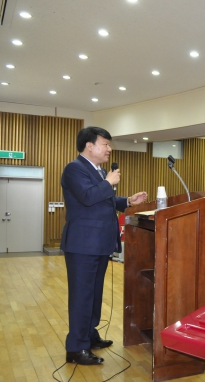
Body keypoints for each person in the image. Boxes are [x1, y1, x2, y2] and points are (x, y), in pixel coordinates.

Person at [61, 126, 147, 365]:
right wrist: (108, 182)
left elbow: (103, 200)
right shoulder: (74, 169)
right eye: (105, 144)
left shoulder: (97, 171)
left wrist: (127, 201)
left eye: (109, 144)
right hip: (82, 245)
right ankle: (76, 349)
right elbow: (88, 197)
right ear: (89, 145)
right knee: (82, 296)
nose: (109, 149)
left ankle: (89, 336)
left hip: (98, 244)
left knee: (94, 294)